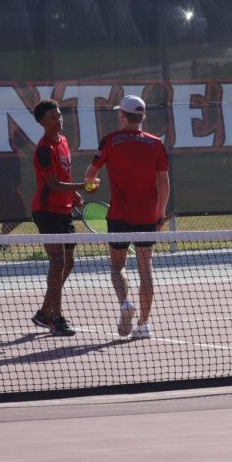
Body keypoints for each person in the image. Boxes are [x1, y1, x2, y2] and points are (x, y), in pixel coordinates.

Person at [84, 95, 170, 339]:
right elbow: (163, 182)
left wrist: (92, 183)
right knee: (145, 269)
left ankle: (125, 304)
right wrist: (160, 212)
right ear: (142, 117)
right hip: (146, 217)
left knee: (117, 265)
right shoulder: (156, 144)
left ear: (123, 116)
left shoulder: (110, 141)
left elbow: (90, 174)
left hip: (119, 216)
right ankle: (143, 325)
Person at [30, 99, 98, 337]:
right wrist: (83, 184)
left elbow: (64, 177)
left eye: (59, 115)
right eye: (52, 117)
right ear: (41, 122)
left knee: (68, 263)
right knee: (57, 262)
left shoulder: (64, 142)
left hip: (64, 210)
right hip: (47, 212)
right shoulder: (44, 150)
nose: (58, 120)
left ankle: (44, 312)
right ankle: (56, 317)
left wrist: (76, 194)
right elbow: (53, 184)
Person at [0, 128, 31, 250]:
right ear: (18, 137)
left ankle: (2, 240)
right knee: (20, 216)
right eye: (24, 139)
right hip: (5, 190)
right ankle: (1, 239)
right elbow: (4, 173)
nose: (26, 143)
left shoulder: (9, 148)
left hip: (6, 188)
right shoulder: (7, 149)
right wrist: (12, 190)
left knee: (8, 216)